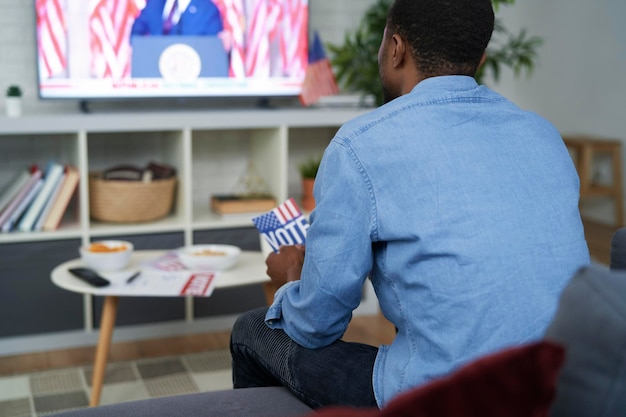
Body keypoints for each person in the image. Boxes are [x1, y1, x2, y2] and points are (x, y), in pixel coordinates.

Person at [230, 0, 590, 410]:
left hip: (454, 399)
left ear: (396, 48)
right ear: (481, 57)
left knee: (252, 330)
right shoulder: (543, 135)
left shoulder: (361, 144)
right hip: (564, 385)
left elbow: (317, 325)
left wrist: (292, 280)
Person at [130, 0, 223, 36]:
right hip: (156, 72)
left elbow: (213, 48)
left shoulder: (208, 9)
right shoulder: (154, 4)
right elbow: (136, 32)